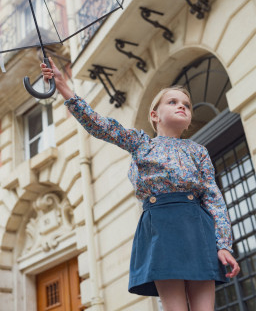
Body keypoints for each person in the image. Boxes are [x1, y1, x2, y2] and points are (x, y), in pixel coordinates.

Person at [41, 58, 240, 311]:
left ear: (190, 119)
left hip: (197, 229)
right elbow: (101, 126)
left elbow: (214, 197)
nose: (182, 106)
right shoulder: (140, 143)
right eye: (173, 102)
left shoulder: (198, 151)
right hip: (160, 229)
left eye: (187, 105)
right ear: (154, 115)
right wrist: (62, 85)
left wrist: (223, 245)